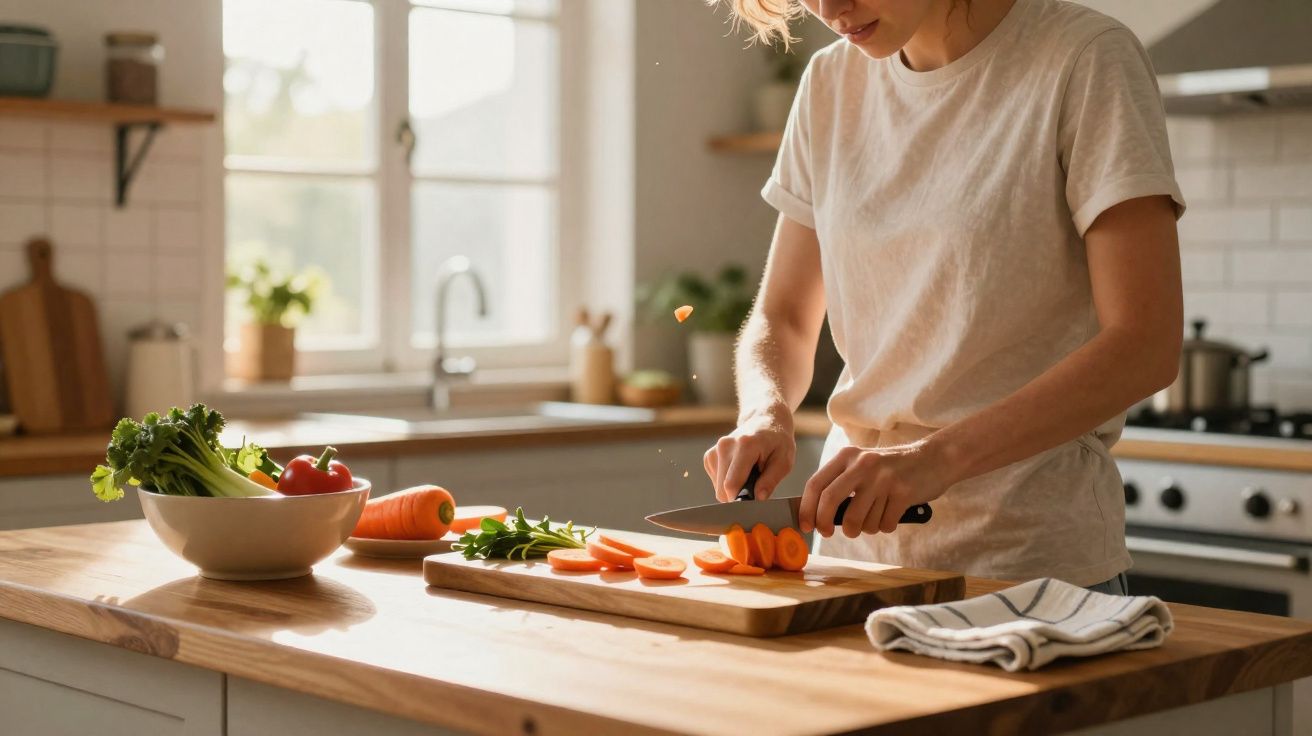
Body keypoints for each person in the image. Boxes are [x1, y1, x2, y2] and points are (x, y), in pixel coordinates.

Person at [703, 0, 1185, 594]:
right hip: (850, 566)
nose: (829, 9)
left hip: (1030, 573)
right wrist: (765, 411)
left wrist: (934, 459)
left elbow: (1145, 345)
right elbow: (784, 316)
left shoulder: (1083, 58)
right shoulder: (831, 81)